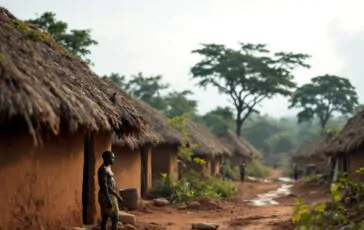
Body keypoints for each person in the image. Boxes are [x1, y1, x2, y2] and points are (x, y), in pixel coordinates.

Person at [98, 151, 123, 230]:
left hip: (109, 195)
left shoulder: (107, 168)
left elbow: (109, 184)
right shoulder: (103, 170)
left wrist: (116, 195)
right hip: (106, 195)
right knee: (115, 217)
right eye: (112, 158)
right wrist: (109, 199)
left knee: (105, 216)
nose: (113, 160)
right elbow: (104, 186)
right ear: (106, 158)